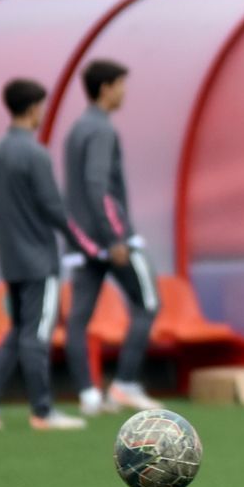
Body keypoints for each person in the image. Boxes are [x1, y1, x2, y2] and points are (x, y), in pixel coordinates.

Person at [0, 79, 95, 431]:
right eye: (42, 106)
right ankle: (43, 411)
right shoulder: (35, 154)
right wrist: (84, 243)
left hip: (10, 259)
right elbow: (54, 208)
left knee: (19, 330)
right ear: (34, 107)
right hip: (39, 259)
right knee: (37, 333)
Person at [62, 59, 161, 416]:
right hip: (112, 239)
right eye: (121, 84)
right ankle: (125, 385)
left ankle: (89, 396)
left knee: (78, 319)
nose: (124, 92)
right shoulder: (101, 129)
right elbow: (96, 185)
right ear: (105, 88)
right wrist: (114, 237)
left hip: (82, 243)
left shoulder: (77, 129)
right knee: (148, 303)